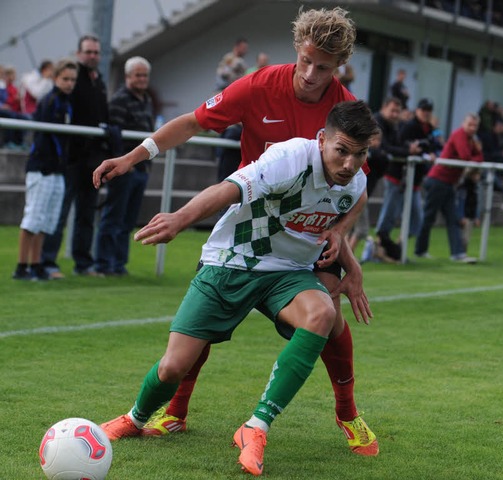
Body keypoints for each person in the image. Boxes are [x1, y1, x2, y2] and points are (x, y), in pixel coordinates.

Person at [93, 7, 379, 457]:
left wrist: (342, 238)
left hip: (299, 248)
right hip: (243, 233)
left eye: (322, 67)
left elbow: (357, 186)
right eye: (305, 61)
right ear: (296, 51)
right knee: (184, 353)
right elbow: (193, 124)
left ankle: (343, 414)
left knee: (329, 316)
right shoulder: (261, 86)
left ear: (338, 67)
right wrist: (135, 157)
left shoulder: (344, 114)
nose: (309, 74)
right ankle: (170, 412)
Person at [41, 34, 109, 278]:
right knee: (60, 211)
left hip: (92, 160)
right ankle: (48, 262)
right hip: (70, 158)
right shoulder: (72, 78)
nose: (92, 56)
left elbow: (102, 114)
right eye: (88, 52)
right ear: (79, 53)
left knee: (86, 214)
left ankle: (83, 263)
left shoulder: (98, 80)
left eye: (96, 52)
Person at [12, 59, 78, 281]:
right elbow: (43, 137)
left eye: (72, 80)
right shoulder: (49, 101)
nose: (69, 83)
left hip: (58, 171)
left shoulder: (68, 103)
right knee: (33, 218)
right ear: (55, 78)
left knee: (47, 221)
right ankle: (21, 266)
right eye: (65, 79)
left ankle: (37, 263)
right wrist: (49, 163)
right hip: (42, 169)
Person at [94, 57, 155, 276]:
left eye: (144, 75)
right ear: (128, 77)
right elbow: (114, 134)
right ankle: (104, 264)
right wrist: (124, 162)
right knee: (113, 216)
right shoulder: (120, 99)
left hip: (141, 168)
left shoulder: (146, 99)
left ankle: (118, 265)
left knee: (128, 219)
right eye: (137, 75)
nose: (141, 79)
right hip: (125, 168)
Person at [414, 113, 483, 262]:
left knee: (452, 218)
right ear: (463, 124)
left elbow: (479, 157)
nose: (472, 128)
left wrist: (474, 155)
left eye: (475, 126)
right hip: (438, 180)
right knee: (429, 217)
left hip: (448, 183)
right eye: (470, 124)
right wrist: (473, 155)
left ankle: (457, 253)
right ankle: (420, 250)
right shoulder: (459, 135)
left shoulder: (471, 140)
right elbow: (466, 156)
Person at [373, 97, 424, 262]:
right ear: (383, 107)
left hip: (385, 175)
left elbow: (394, 147)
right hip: (371, 174)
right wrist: (409, 151)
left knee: (401, 215)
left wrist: (408, 150)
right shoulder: (377, 123)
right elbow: (384, 147)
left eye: (397, 111)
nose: (395, 114)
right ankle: (377, 249)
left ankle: (383, 248)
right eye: (392, 110)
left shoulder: (394, 126)